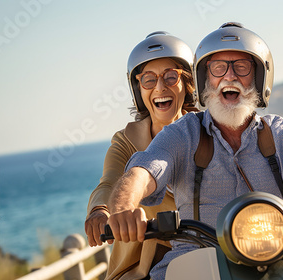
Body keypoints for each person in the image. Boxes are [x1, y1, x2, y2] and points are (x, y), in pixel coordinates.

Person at [107, 22, 283, 280]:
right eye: (218, 68)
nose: (229, 77)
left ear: (258, 78)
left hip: (282, 260)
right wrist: (124, 208)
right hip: (195, 262)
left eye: (241, 67)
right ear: (205, 79)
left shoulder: (281, 133)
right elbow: (143, 170)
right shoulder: (182, 134)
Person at [84, 31, 198, 280]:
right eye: (148, 79)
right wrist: (100, 211)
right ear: (138, 89)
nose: (160, 87)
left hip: (203, 255)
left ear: (188, 84)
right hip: (139, 264)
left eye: (171, 76)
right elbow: (109, 181)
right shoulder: (126, 140)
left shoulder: (206, 133)